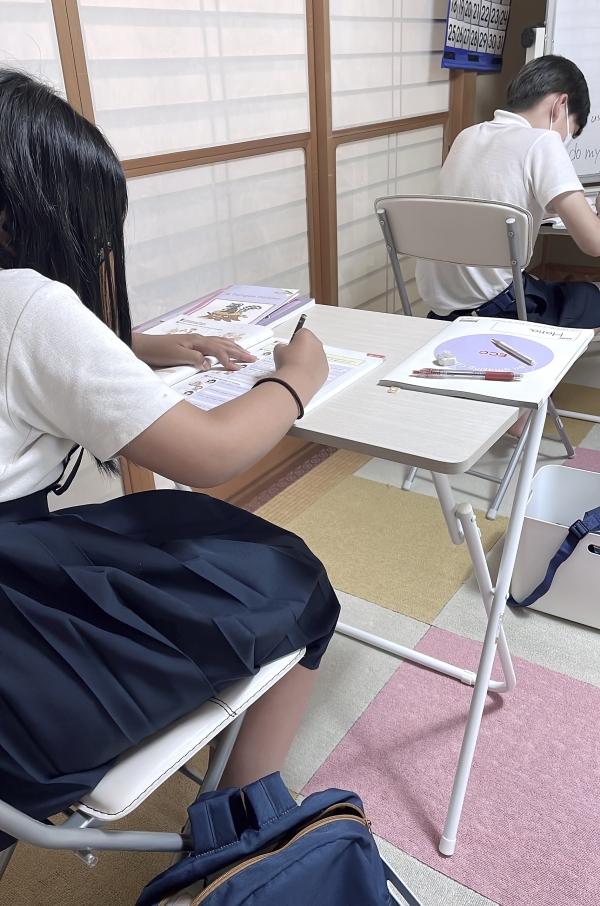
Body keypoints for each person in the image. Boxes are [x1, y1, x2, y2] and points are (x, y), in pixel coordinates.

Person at [0, 69, 340, 847]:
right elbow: (212, 454)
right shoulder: (25, 299)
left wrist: (129, 346)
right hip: (17, 632)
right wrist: (298, 379)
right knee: (295, 580)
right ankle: (246, 831)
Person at [416, 55, 600, 327]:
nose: (563, 139)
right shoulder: (544, 141)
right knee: (590, 295)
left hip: (442, 313)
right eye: (569, 131)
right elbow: (593, 243)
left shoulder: (469, 135)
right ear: (560, 105)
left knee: (537, 282)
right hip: (497, 311)